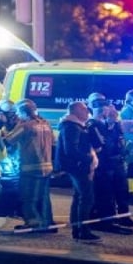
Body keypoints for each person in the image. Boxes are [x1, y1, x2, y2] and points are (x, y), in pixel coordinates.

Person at [3, 99, 56, 232]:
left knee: (27, 198)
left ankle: (33, 224)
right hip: (47, 167)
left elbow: (8, 141)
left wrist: (1, 134)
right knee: (44, 198)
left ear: (22, 112)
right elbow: (54, 142)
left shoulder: (25, 126)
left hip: (30, 168)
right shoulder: (46, 124)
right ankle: (47, 223)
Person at [55, 101, 101, 243]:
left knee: (79, 197)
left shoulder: (76, 126)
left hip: (77, 166)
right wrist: (87, 160)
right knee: (86, 198)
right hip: (78, 167)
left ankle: (77, 229)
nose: (88, 112)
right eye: (85, 109)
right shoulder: (72, 127)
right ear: (76, 111)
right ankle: (83, 231)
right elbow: (71, 150)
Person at [87, 102, 133, 233]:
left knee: (121, 191)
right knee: (106, 194)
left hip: (116, 161)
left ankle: (123, 217)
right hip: (104, 164)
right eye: (111, 110)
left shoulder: (114, 125)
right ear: (103, 111)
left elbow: (119, 140)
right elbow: (102, 144)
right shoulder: (94, 125)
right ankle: (106, 223)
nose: (115, 113)